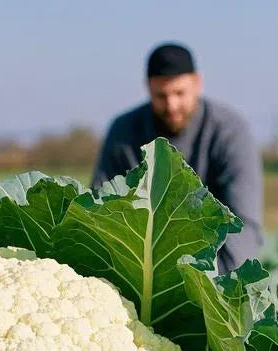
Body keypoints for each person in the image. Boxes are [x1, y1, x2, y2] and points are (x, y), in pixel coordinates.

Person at [92, 43, 263, 273]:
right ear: (147, 88)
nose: (171, 105)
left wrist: (206, 292)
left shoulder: (230, 132)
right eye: (161, 95)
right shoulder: (123, 133)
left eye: (179, 93)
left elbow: (244, 226)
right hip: (135, 273)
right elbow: (97, 212)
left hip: (211, 276)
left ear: (197, 83)